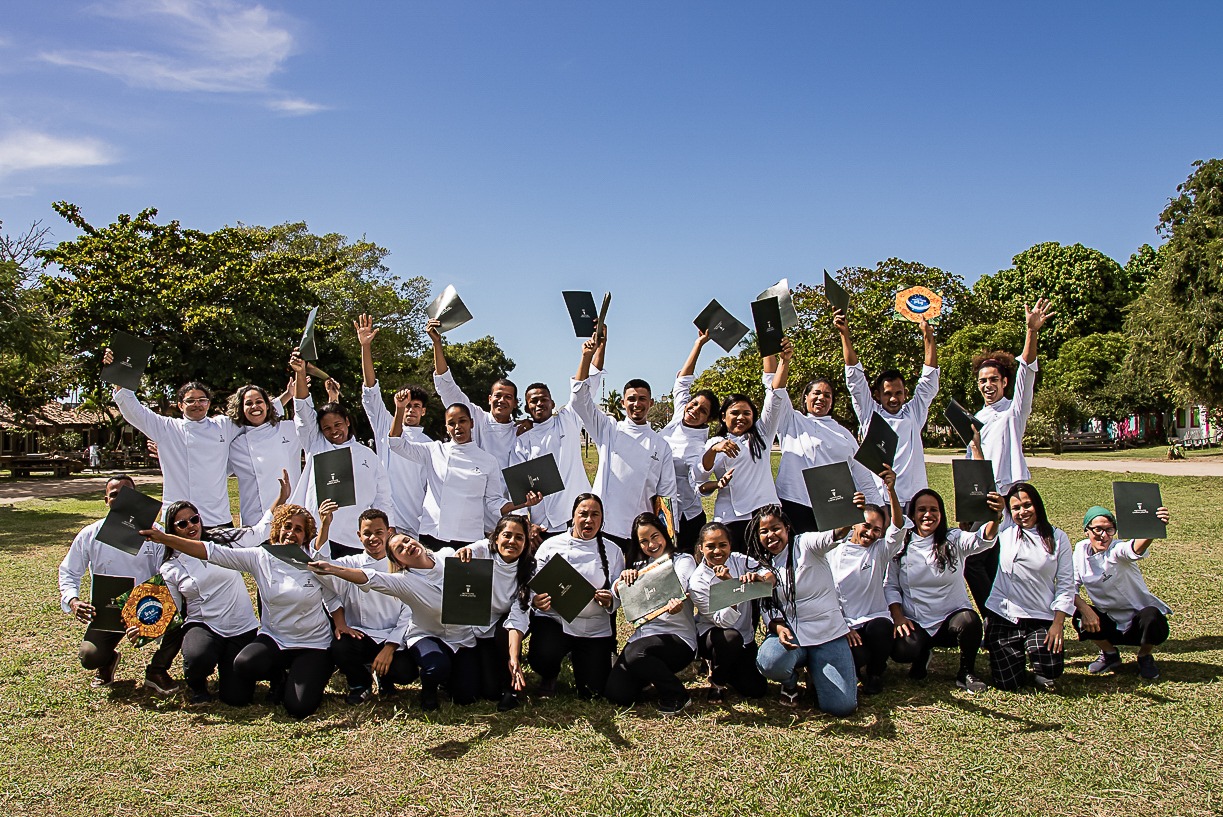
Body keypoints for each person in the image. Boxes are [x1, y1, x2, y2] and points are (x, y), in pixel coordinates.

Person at [143, 500, 341, 719]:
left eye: (298, 529)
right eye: (286, 527)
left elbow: (332, 592)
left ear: (306, 535)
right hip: (276, 639)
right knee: (244, 667)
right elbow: (210, 552)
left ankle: (302, 674)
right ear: (278, 529)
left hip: (312, 644)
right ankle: (279, 676)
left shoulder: (313, 559)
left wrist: (340, 624)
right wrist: (163, 538)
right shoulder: (261, 557)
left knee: (298, 708)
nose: (291, 533)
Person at [310, 533, 481, 710]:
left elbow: (484, 545)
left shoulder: (446, 555)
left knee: (466, 697)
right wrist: (332, 569)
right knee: (436, 667)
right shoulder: (403, 581)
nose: (407, 546)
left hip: (462, 638)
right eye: (400, 549)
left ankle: (447, 679)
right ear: (399, 563)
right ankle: (429, 690)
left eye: (407, 541)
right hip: (426, 635)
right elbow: (369, 577)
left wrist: (470, 549)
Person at [963, 298, 1055, 612]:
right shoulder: (975, 418)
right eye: (982, 381)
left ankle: (1018, 615)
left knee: (1012, 561)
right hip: (983, 500)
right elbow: (973, 466)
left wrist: (1031, 332)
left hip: (1010, 496)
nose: (988, 385)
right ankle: (994, 616)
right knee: (973, 562)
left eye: (993, 379)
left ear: (1004, 382)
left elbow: (1027, 373)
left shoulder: (1013, 413)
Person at [58, 474, 183, 694]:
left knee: (181, 620)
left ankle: (157, 670)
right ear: (106, 500)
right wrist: (73, 600)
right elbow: (69, 570)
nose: (121, 498)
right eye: (114, 494)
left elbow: (171, 570)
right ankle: (106, 661)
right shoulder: (90, 534)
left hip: (146, 606)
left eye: (128, 492)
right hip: (110, 610)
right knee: (89, 656)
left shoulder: (155, 532)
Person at [885, 488, 1003, 693]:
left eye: (934, 510)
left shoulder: (953, 539)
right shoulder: (901, 544)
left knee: (970, 621)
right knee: (902, 651)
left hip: (950, 620)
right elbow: (891, 586)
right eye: (921, 510)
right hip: (917, 620)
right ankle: (921, 654)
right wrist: (898, 617)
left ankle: (966, 672)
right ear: (912, 514)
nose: (928, 515)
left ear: (941, 514)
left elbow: (982, 540)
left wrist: (996, 516)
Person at [569, 332, 678, 550]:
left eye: (642, 399)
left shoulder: (660, 445)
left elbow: (667, 495)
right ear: (622, 402)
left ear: (651, 403)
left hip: (640, 533)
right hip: (605, 527)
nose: (637, 404)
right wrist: (588, 356)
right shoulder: (609, 428)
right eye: (632, 399)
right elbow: (579, 401)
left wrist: (668, 538)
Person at [388, 391, 536, 550]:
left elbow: (494, 503)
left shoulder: (487, 461)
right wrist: (400, 409)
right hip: (432, 534)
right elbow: (396, 443)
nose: (457, 427)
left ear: (471, 423)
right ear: (446, 428)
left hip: (468, 539)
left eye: (462, 421)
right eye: (451, 423)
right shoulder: (434, 450)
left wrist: (521, 502)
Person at [764, 338, 883, 534]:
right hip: (795, 503)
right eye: (816, 393)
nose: (821, 398)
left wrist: (878, 511)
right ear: (806, 397)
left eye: (827, 395)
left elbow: (863, 477)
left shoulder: (844, 434)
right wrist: (779, 355)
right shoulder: (791, 420)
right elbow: (774, 387)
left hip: (834, 507)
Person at [103, 349, 233, 528]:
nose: (197, 404)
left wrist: (287, 395)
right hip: (177, 519)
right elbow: (133, 410)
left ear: (209, 404)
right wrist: (119, 373)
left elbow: (256, 417)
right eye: (190, 400)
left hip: (217, 517)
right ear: (180, 405)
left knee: (220, 557)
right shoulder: (167, 428)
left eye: (202, 400)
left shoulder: (224, 425)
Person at [749, 505, 858, 715]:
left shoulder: (806, 545)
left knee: (841, 707)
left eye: (776, 528)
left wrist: (849, 511)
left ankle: (817, 671)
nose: (771, 535)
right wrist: (778, 628)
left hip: (828, 634)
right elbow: (767, 609)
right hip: (794, 635)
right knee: (770, 661)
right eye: (764, 531)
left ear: (787, 527)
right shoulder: (761, 565)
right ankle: (790, 681)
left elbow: (836, 533)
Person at [288, 348, 393, 558]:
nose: (333, 431)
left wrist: (386, 532)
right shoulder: (316, 445)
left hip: (356, 539)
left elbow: (383, 497)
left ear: (347, 421)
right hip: (320, 534)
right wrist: (300, 373)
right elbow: (302, 410)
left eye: (338, 424)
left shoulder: (367, 455)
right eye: (327, 428)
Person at [158, 500, 263, 704]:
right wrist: (145, 630)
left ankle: (230, 665)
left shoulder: (222, 544)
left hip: (240, 626)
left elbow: (259, 532)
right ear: (172, 531)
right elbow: (171, 612)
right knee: (199, 657)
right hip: (204, 625)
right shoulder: (170, 568)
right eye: (182, 524)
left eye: (194, 519)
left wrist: (281, 499)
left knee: (237, 699)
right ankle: (197, 685)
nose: (190, 526)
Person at [528, 494, 626, 698]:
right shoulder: (551, 545)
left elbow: (619, 589)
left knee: (593, 691)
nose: (589, 520)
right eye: (583, 514)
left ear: (602, 519)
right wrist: (536, 601)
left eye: (595, 515)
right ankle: (549, 673)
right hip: (555, 620)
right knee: (543, 655)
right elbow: (533, 583)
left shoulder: (613, 551)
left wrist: (611, 599)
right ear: (573, 517)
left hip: (593, 627)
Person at [838, 311, 939, 507]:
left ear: (905, 393)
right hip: (878, 499)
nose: (894, 399)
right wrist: (844, 334)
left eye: (898, 393)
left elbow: (929, 381)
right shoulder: (870, 413)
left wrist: (928, 337)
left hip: (912, 498)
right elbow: (855, 380)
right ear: (877, 395)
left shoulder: (913, 413)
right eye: (887, 394)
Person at [982, 483, 1075, 691]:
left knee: (1050, 668)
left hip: (1040, 616)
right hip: (1005, 615)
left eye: (1027, 505)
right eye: (1016, 508)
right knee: (1008, 684)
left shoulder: (1058, 538)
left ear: (1038, 505)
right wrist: (976, 449)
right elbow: (984, 532)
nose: (1022, 512)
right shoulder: (1005, 531)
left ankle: (1037, 665)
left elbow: (1066, 584)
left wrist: (1058, 624)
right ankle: (1006, 651)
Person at [511, 339, 604, 542]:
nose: (539, 403)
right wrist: (527, 524)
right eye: (533, 401)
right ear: (527, 408)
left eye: (544, 399)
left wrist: (595, 351)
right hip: (542, 526)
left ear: (552, 403)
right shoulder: (521, 442)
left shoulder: (567, 420)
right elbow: (518, 489)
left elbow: (585, 387)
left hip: (575, 519)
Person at [606, 512, 698, 715]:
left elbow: (676, 586)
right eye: (644, 541)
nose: (651, 544)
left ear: (665, 533)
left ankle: (677, 695)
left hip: (677, 638)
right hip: (644, 638)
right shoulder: (638, 567)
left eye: (655, 536)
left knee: (634, 653)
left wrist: (671, 600)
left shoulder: (683, 560)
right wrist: (622, 580)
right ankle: (648, 675)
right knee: (617, 693)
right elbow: (616, 597)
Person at [697, 342, 786, 551]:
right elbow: (700, 479)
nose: (741, 418)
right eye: (735, 413)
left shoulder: (762, 435)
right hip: (729, 516)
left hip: (762, 515)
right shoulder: (713, 443)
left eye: (747, 413)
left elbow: (775, 394)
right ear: (723, 416)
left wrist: (784, 361)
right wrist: (715, 451)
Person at [827, 468, 905, 695]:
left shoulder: (879, 551)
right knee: (857, 654)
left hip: (873, 618)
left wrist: (891, 491)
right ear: (854, 524)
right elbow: (828, 594)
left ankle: (876, 673)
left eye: (877, 530)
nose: (870, 533)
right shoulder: (833, 551)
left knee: (882, 630)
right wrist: (844, 626)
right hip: (846, 623)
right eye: (866, 526)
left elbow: (898, 528)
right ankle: (861, 666)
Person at [1072, 504, 1173, 681]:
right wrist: (1086, 610)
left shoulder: (1117, 549)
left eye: (1109, 530)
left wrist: (1155, 527)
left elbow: (1135, 548)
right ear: (1086, 530)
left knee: (1152, 616)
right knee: (1079, 615)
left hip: (1138, 622)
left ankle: (1144, 656)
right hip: (1109, 619)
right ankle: (1110, 654)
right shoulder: (1080, 550)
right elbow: (1070, 586)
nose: (1103, 535)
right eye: (1097, 529)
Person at [355, 314, 433, 539]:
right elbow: (371, 388)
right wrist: (365, 347)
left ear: (424, 411)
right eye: (406, 405)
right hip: (383, 520)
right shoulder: (384, 424)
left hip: (415, 523)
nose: (410, 410)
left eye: (416, 406)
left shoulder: (431, 445)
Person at [328, 509, 417, 704]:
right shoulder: (350, 563)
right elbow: (324, 581)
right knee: (340, 647)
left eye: (379, 532)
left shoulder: (402, 564)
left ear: (388, 532)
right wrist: (340, 622)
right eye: (367, 533)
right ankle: (360, 683)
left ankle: (386, 679)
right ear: (359, 536)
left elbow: (409, 612)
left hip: (392, 636)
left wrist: (391, 646)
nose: (373, 538)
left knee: (405, 673)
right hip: (360, 635)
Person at [454, 515, 535, 711]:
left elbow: (518, 617)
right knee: (465, 695)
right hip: (473, 626)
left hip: (501, 630)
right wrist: (464, 551)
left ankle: (510, 687)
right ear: (496, 537)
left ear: (526, 542)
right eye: (507, 535)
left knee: (492, 691)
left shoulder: (529, 569)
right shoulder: (483, 552)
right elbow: (472, 549)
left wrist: (514, 658)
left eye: (519, 537)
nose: (512, 542)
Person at [685, 522, 771, 702]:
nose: (717, 551)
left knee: (756, 690)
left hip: (745, 636)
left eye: (722, 545)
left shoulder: (739, 560)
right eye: (710, 546)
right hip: (714, 636)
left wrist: (760, 578)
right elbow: (723, 622)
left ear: (730, 545)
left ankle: (727, 667)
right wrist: (731, 585)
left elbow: (767, 570)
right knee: (731, 638)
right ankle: (717, 682)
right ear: (701, 548)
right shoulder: (697, 581)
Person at [428, 317, 520, 467]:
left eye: (508, 397)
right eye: (497, 396)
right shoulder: (476, 417)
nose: (502, 400)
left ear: (515, 403)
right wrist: (437, 344)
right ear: (489, 399)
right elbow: (447, 387)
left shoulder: (521, 431)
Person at [659, 329, 720, 553]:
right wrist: (699, 344)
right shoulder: (677, 418)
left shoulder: (702, 446)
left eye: (702, 411)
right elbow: (683, 383)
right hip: (660, 508)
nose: (694, 410)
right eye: (693, 404)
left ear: (709, 419)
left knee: (683, 566)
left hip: (686, 516)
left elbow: (699, 481)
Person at [225, 382, 303, 526]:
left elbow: (313, 427)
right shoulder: (236, 445)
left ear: (268, 405)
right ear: (242, 409)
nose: (254, 406)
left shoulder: (288, 430)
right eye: (248, 403)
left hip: (291, 514)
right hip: (254, 518)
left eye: (259, 401)